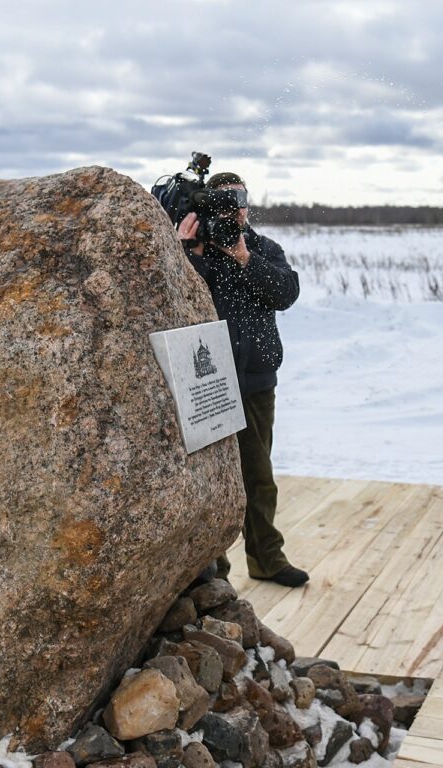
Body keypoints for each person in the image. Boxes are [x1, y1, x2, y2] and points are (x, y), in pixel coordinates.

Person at [177, 170, 309, 588]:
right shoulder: (193, 253)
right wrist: (186, 251)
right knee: (212, 483)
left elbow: (286, 293)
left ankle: (267, 558)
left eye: (238, 200)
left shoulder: (262, 248)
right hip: (208, 382)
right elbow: (174, 298)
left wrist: (245, 260)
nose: (233, 210)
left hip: (255, 378)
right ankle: (216, 574)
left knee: (258, 475)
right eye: (222, 201)